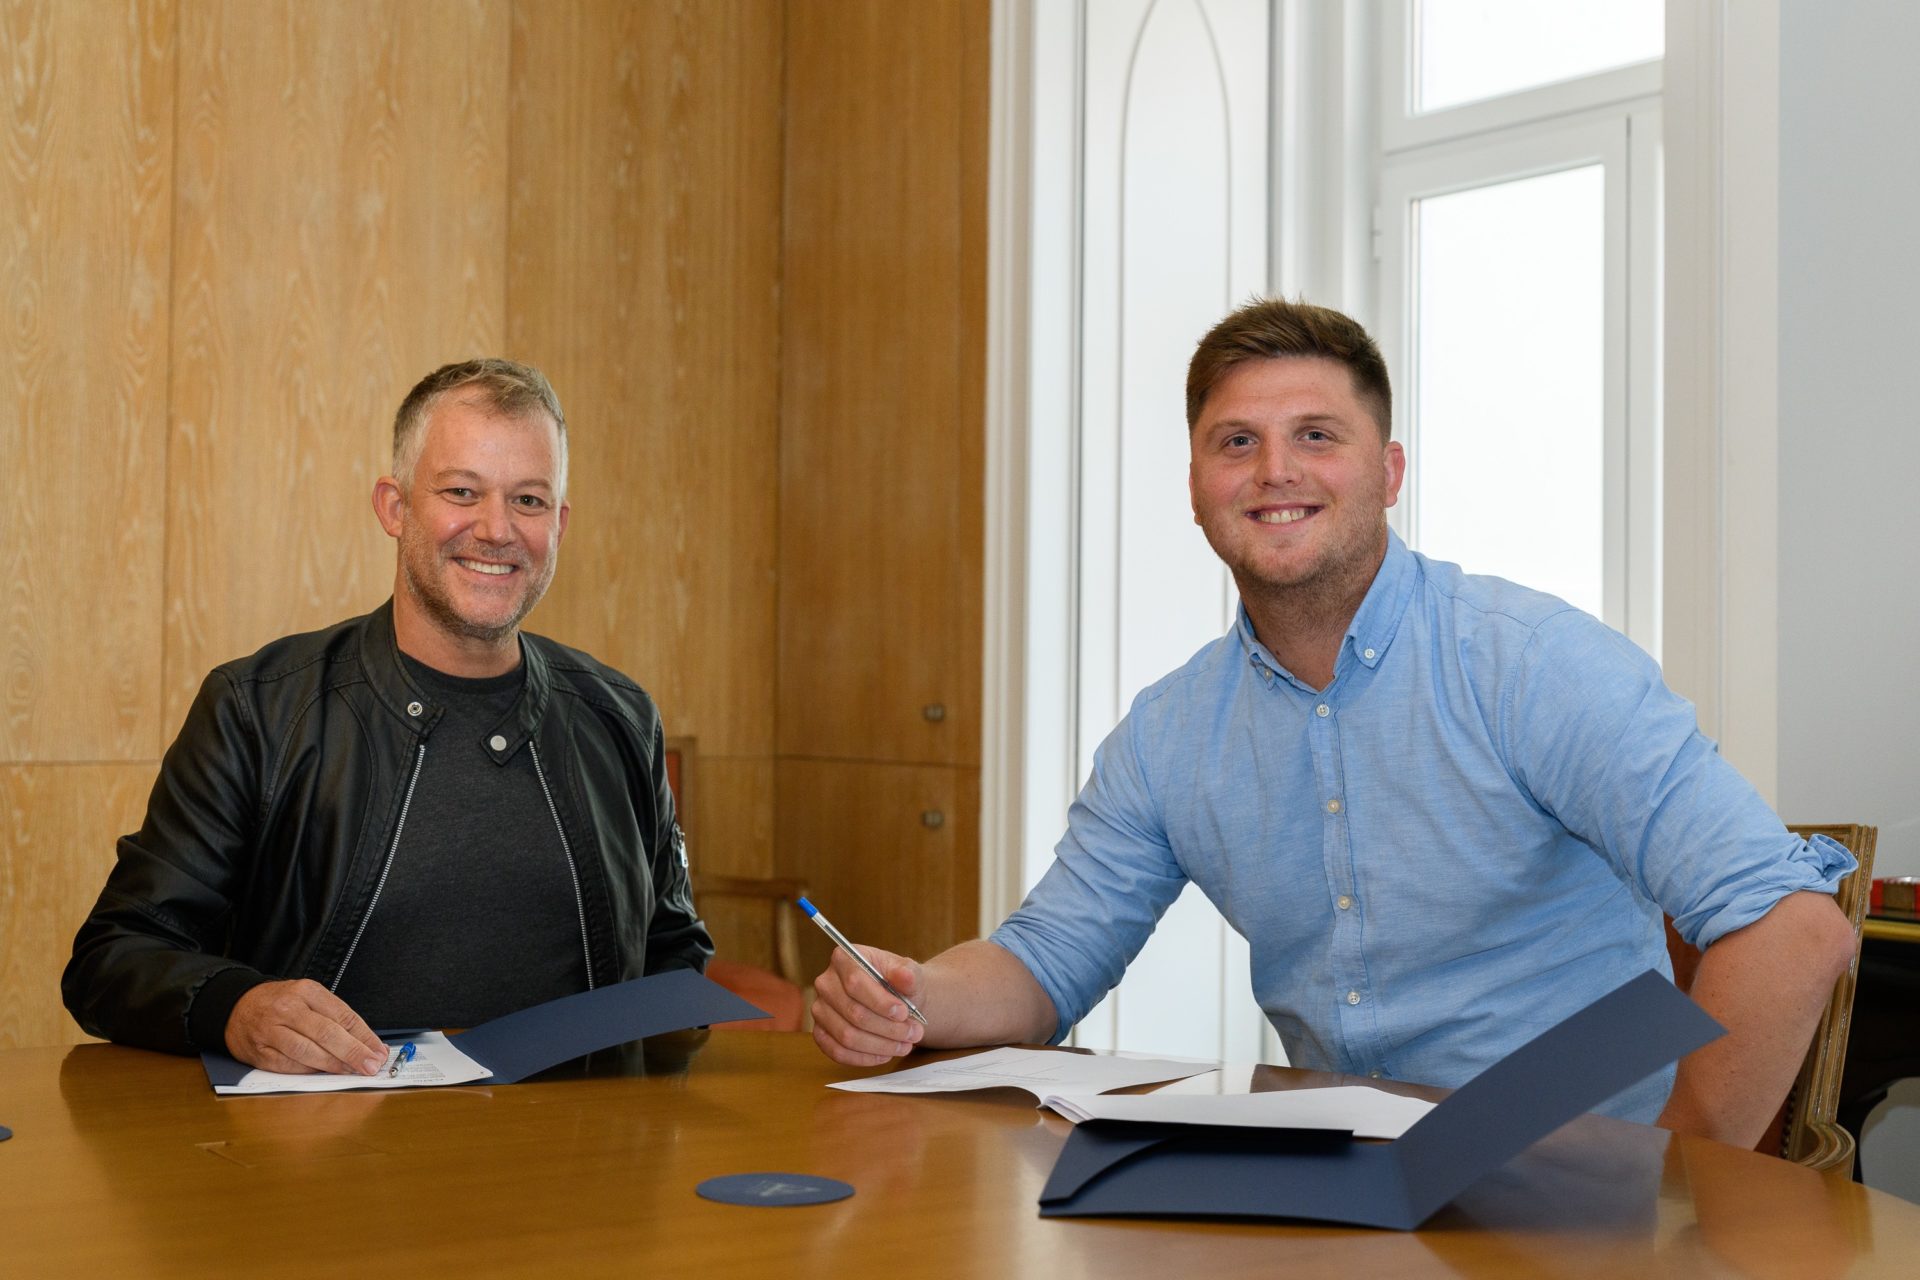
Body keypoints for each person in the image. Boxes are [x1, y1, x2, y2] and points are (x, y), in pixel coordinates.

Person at [810, 298, 1857, 1147]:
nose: (1276, 470)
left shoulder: (1533, 665)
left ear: (1388, 472)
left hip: (1573, 1187)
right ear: (1195, 486)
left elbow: (1794, 926)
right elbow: (1045, 963)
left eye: (1316, 435)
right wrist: (914, 994)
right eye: (1237, 442)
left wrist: (1676, 1179)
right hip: (1347, 1183)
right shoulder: (1168, 735)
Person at [63, 359, 712, 1076]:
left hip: (585, 1144)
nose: (497, 529)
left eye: (528, 500)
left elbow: (675, 952)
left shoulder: (621, 717)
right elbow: (112, 959)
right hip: (325, 1145)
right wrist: (236, 1008)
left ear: (558, 525)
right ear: (394, 507)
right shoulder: (258, 710)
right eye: (462, 492)